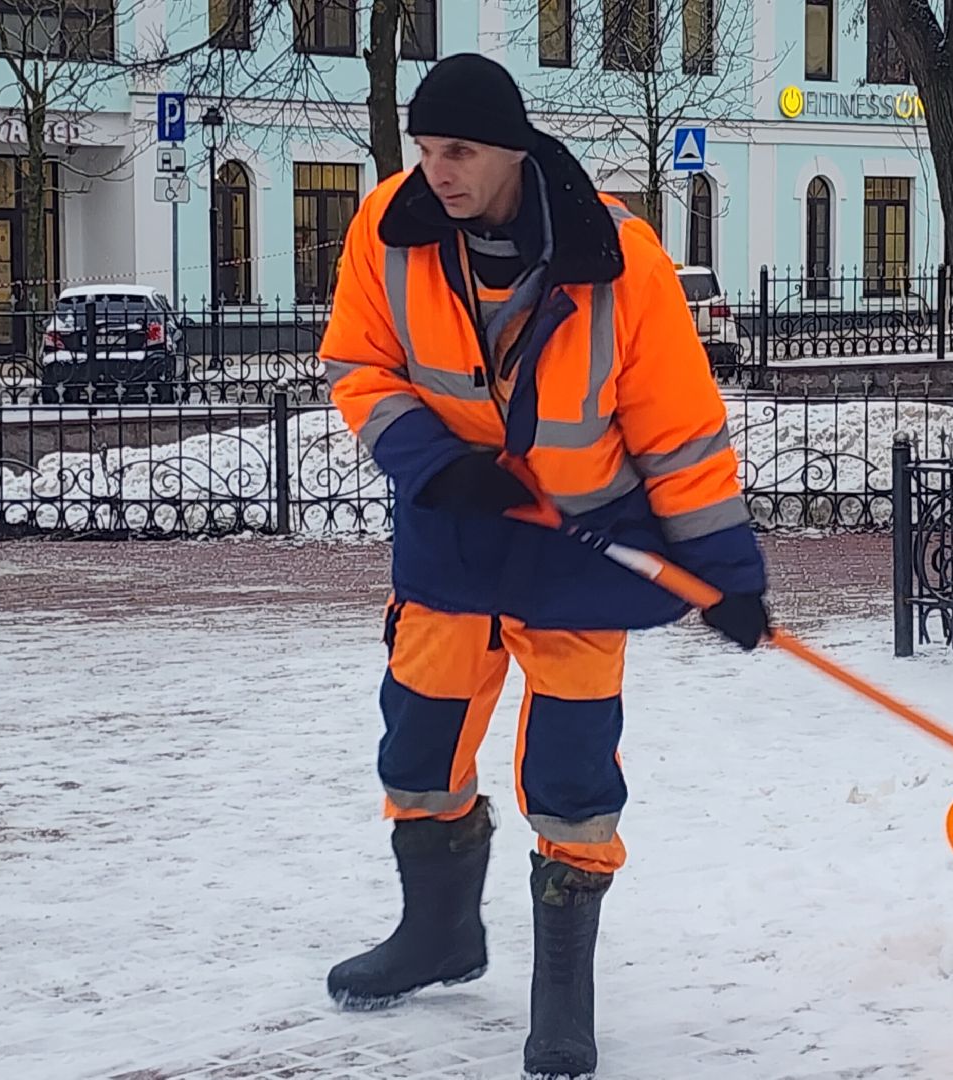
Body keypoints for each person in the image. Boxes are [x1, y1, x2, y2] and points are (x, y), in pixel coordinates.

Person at [317, 53, 770, 1080]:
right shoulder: (386, 232)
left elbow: (677, 430)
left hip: (575, 551)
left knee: (571, 773)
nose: (439, 171)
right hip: (454, 538)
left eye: (460, 151)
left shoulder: (619, 258)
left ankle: (561, 992)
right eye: (428, 150)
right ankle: (438, 933)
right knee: (418, 749)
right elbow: (358, 361)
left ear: (511, 150)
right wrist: (435, 461)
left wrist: (726, 574)